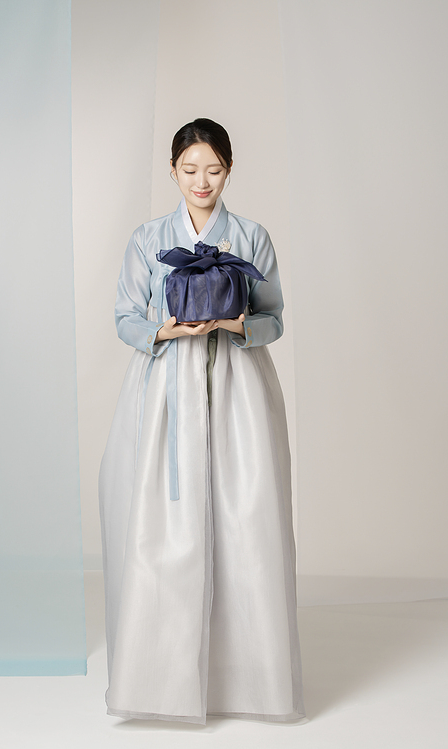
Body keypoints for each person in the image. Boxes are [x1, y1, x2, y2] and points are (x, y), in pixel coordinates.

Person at [98, 118, 306, 725]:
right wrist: (165, 330)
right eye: (189, 170)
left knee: (246, 521)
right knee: (165, 523)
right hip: (165, 386)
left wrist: (233, 324)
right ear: (172, 172)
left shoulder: (252, 235)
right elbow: (124, 316)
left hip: (238, 386)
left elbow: (274, 319)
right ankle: (160, 682)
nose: (201, 181)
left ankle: (245, 687)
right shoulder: (147, 238)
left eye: (212, 169)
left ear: (229, 170)